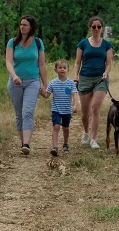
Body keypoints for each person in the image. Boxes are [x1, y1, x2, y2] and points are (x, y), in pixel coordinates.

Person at [5, 15, 48, 155]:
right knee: (19, 114)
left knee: (27, 111)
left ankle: (26, 144)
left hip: (33, 81)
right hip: (15, 82)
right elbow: (8, 62)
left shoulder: (38, 43)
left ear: (31, 27)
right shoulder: (12, 42)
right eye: (21, 24)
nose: (22, 27)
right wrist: (14, 76)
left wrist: (45, 85)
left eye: (25, 25)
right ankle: (22, 142)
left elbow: (41, 65)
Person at [73, 16, 113, 149]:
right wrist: (75, 77)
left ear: (102, 28)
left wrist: (106, 72)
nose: (96, 29)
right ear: (90, 28)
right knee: (85, 113)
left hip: (100, 79)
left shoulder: (107, 45)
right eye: (93, 27)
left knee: (95, 107)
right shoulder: (83, 44)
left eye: (99, 27)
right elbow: (77, 63)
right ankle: (86, 132)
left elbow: (108, 64)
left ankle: (93, 139)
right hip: (84, 78)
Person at [43, 59, 79, 156]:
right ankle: (55, 147)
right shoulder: (53, 83)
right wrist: (41, 92)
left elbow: (74, 94)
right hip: (56, 109)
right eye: (60, 68)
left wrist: (75, 105)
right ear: (55, 70)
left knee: (66, 128)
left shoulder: (71, 83)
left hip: (67, 110)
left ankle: (66, 144)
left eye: (64, 68)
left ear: (68, 70)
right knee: (56, 126)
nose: (62, 69)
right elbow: (47, 95)